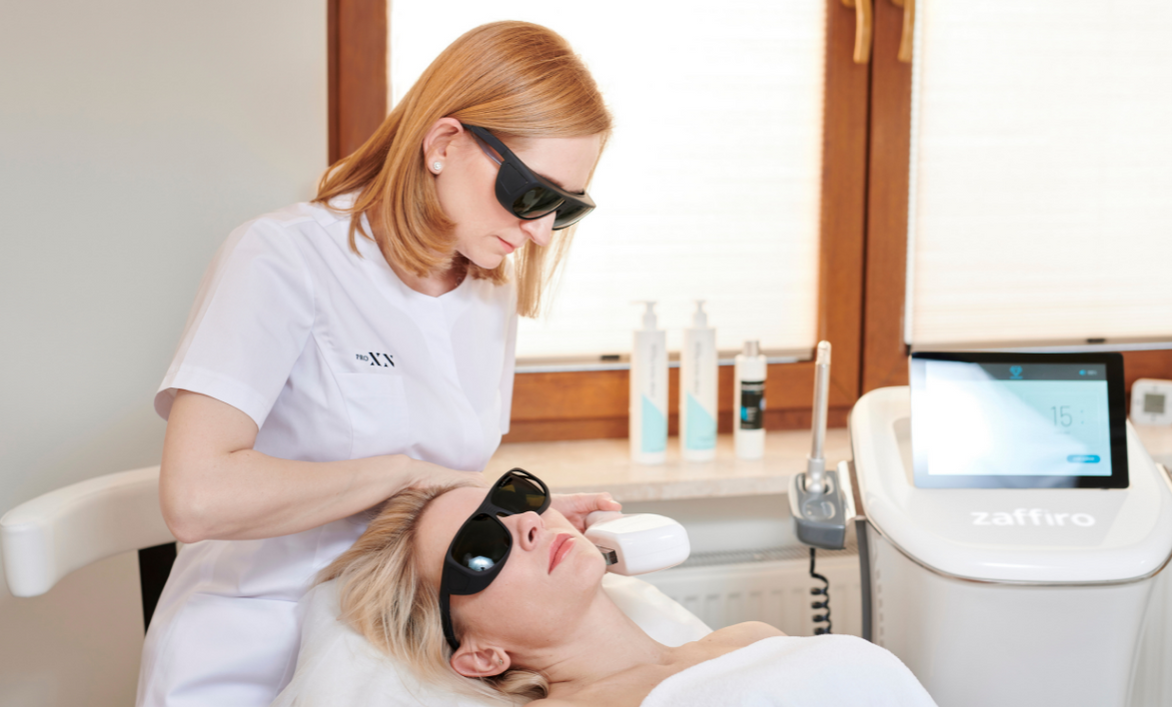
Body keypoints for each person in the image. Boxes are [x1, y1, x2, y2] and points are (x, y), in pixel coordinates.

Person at [138, 21, 617, 707]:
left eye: (564, 209)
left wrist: (504, 517)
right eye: (531, 194)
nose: (540, 232)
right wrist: (401, 473)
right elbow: (195, 498)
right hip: (255, 646)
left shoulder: (489, 292)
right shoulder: (284, 257)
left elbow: (433, 499)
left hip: (396, 650)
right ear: (444, 144)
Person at [319, 471, 940, 707]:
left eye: (513, 499)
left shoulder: (750, 637)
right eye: (481, 549)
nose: (529, 523)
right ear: (480, 654)